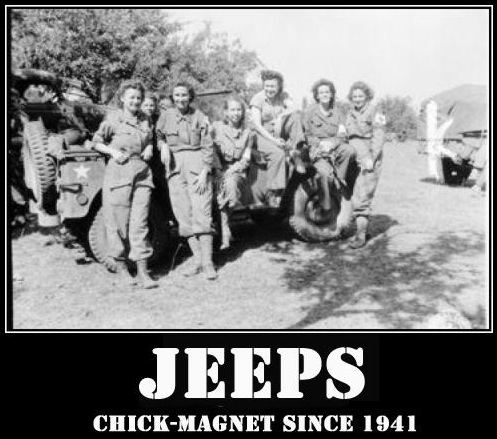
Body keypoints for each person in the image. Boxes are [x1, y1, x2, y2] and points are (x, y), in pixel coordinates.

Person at [86, 80, 158, 288]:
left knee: (140, 222)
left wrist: (149, 147)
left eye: (138, 97)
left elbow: (149, 138)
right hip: (119, 174)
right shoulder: (113, 119)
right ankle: (122, 270)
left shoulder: (145, 119)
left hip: (142, 174)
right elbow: (95, 142)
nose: (135, 101)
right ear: (123, 99)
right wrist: (112, 152)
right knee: (117, 223)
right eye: (131, 97)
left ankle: (143, 272)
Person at [156, 82, 217, 280]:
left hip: (196, 165)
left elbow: (208, 144)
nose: (180, 99)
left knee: (202, 212)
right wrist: (163, 146)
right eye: (177, 95)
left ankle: (208, 263)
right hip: (174, 168)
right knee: (183, 215)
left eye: (184, 95)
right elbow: (159, 136)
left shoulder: (199, 116)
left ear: (190, 96)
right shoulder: (166, 116)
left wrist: (205, 170)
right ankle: (198, 260)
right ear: (172, 97)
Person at [249, 69, 307, 207]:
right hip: (262, 135)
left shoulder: (283, 96)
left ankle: (296, 153)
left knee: (295, 118)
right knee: (278, 153)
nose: (269, 89)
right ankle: (273, 192)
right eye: (267, 86)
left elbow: (296, 109)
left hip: (279, 131)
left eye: (273, 86)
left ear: (279, 86)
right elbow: (257, 126)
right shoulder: (257, 99)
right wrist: (274, 140)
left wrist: (281, 116)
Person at [345, 81, 387, 249]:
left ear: (367, 96)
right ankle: (361, 229)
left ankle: (360, 236)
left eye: (360, 96)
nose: (357, 99)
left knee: (363, 196)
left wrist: (371, 158)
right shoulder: (350, 113)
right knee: (355, 193)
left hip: (368, 157)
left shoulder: (376, 111)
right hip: (354, 156)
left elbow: (379, 136)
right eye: (354, 96)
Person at [303, 79, 356, 202]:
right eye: (321, 93)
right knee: (325, 175)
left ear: (332, 94)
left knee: (349, 150)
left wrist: (332, 143)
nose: (324, 95)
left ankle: (340, 178)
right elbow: (306, 134)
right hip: (317, 149)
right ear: (317, 95)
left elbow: (342, 135)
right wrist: (320, 144)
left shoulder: (338, 113)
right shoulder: (310, 112)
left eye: (327, 92)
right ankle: (326, 196)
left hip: (334, 146)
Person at [211, 97, 254, 249]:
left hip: (237, 170)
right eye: (232, 110)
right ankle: (224, 231)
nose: (236, 113)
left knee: (230, 190)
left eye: (239, 109)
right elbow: (210, 149)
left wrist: (231, 170)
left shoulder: (248, 132)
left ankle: (224, 228)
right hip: (216, 168)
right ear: (226, 112)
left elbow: (246, 158)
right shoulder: (216, 127)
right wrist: (218, 169)